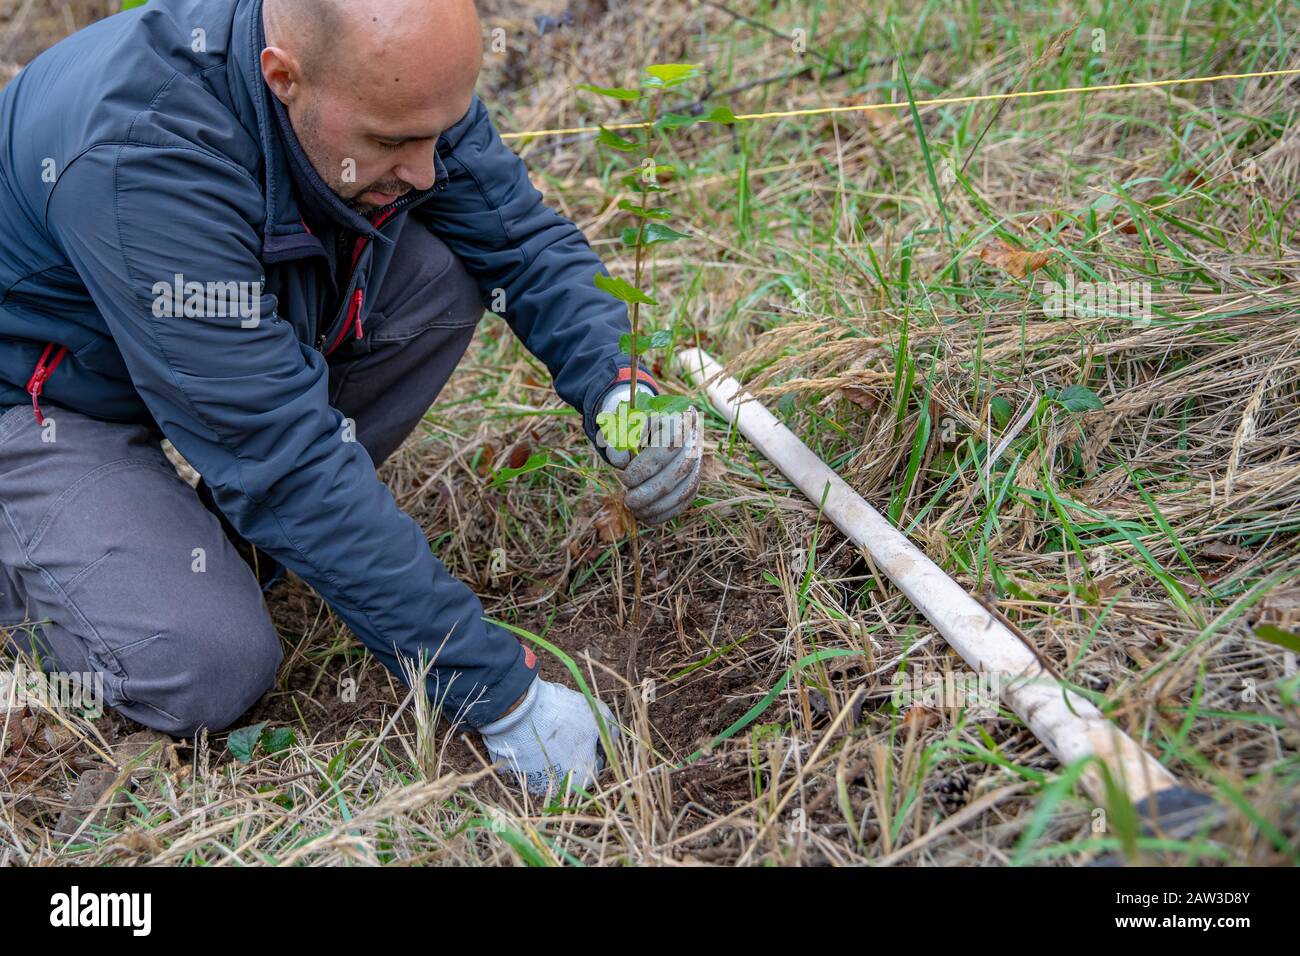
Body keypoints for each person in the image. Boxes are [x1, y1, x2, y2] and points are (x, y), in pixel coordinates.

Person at [0, 0, 702, 797]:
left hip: (178, 335)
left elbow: (522, 245)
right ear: (283, 78)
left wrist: (618, 382)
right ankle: (45, 565)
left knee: (441, 270)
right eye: (393, 142)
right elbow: (284, 460)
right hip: (38, 396)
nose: (428, 169)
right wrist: (499, 695)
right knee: (202, 662)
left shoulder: (396, 87)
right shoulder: (146, 157)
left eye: (442, 130)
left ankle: (213, 549)